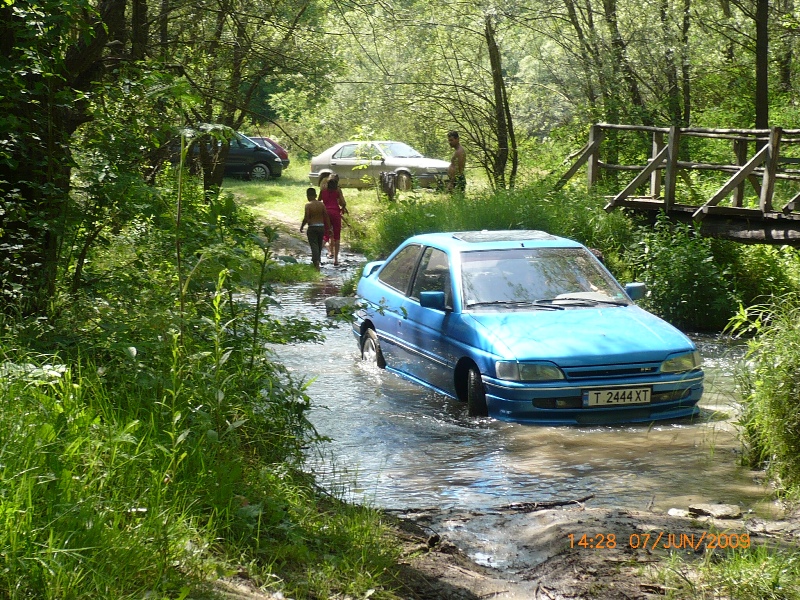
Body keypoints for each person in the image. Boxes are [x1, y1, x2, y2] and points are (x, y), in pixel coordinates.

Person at [300, 187, 331, 271]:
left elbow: (306, 217)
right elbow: (326, 216)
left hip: (312, 227)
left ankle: (316, 262)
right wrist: (329, 228)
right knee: (319, 244)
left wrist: (302, 226)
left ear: (307, 196)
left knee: (314, 245)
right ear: (316, 195)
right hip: (321, 227)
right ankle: (317, 260)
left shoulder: (308, 205)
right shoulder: (321, 204)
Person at [320, 173, 348, 266]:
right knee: (337, 237)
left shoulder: (323, 189)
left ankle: (317, 256)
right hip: (335, 213)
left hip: (325, 213)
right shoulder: (337, 190)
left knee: (325, 235)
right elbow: (343, 202)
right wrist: (343, 206)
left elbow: (319, 200)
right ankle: (336, 260)